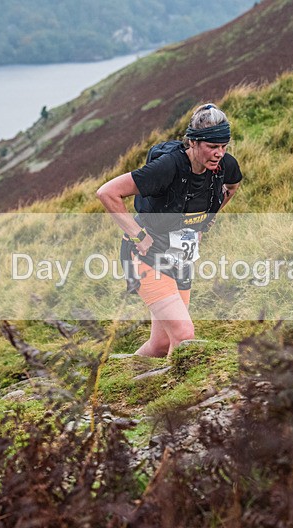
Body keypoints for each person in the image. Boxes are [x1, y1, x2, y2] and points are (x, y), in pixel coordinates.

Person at [97, 103, 243, 357]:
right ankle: (178, 394)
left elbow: (232, 186)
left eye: (224, 146)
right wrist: (138, 235)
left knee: (162, 344)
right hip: (146, 256)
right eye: (212, 146)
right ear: (193, 143)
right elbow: (107, 193)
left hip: (181, 256)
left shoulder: (225, 165)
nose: (219, 153)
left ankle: (123, 376)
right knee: (184, 335)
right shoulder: (168, 167)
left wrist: (206, 219)